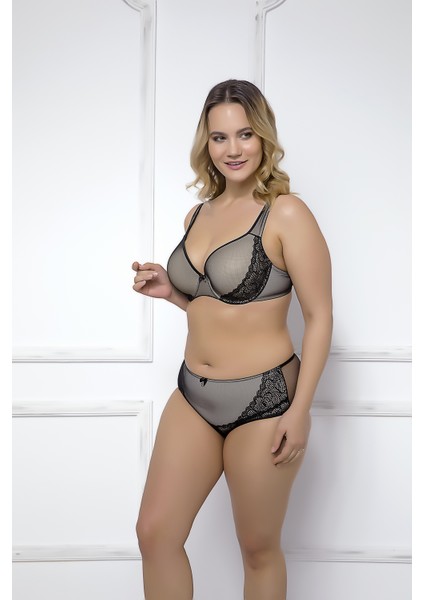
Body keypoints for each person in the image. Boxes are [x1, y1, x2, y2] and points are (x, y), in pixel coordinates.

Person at [131, 79, 332, 600]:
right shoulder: (198, 213)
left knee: (258, 548)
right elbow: (216, 307)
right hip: (193, 395)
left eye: (245, 134)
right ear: (207, 143)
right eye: (219, 137)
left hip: (265, 398)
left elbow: (319, 316)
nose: (233, 149)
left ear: (264, 136)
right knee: (155, 533)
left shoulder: (286, 213)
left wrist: (300, 411)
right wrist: (172, 293)